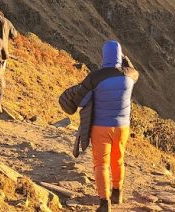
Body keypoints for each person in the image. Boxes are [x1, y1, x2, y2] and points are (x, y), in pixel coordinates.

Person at [59, 41, 139, 211]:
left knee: (101, 164)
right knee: (118, 160)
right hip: (123, 127)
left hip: (100, 127)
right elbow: (135, 71)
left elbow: (80, 99)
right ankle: (117, 192)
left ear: (104, 56)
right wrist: (125, 61)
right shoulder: (130, 76)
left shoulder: (95, 77)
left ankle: (104, 203)